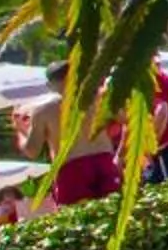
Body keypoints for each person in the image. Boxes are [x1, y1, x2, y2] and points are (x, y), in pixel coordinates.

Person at [20, 64, 120, 207]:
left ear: (49, 85)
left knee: (77, 216)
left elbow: (32, 151)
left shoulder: (44, 111)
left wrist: (20, 132)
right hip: (104, 160)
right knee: (115, 209)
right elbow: (122, 121)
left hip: (72, 167)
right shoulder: (99, 98)